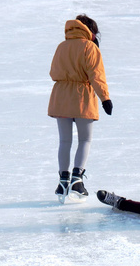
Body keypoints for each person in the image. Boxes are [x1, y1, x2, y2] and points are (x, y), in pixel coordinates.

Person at [48, 14, 113, 203]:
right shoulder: (89, 47)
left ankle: (62, 181)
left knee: (64, 141)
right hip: (82, 96)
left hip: (60, 96)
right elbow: (96, 76)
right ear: (90, 31)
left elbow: (53, 72)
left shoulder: (62, 46)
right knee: (85, 140)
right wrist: (105, 98)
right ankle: (76, 180)